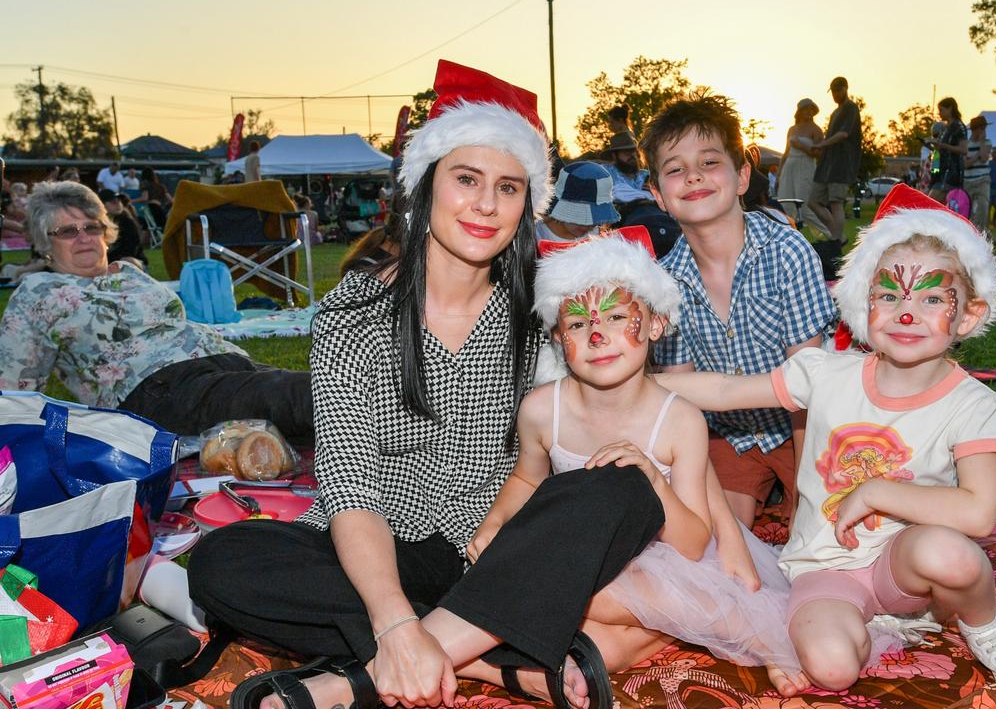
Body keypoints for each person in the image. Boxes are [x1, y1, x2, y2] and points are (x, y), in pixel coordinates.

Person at [188, 60, 666, 709]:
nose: (486, 205)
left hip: (496, 544)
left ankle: (362, 677)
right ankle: (487, 661)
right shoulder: (354, 311)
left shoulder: (543, 309)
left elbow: (584, 424)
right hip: (377, 543)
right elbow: (348, 476)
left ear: (529, 203)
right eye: (466, 179)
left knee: (624, 489)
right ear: (425, 185)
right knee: (223, 563)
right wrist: (391, 620)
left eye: (508, 187)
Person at [658, 184, 996, 688]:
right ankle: (872, 626)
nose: (907, 313)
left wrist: (874, 491)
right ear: (861, 302)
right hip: (824, 566)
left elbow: (980, 512)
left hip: (905, 565)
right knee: (831, 670)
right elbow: (723, 387)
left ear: (969, 314)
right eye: (888, 295)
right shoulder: (825, 373)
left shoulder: (974, 404)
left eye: (933, 297)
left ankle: (986, 627)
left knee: (951, 554)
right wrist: (638, 380)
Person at [478, 230, 811, 697]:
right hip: (582, 553)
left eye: (617, 317)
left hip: (666, 557)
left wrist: (653, 479)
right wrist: (494, 521)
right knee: (599, 633)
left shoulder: (679, 420)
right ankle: (648, 632)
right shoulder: (540, 409)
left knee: (589, 622)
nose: (598, 336)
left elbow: (694, 543)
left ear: (655, 323)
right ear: (557, 336)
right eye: (577, 325)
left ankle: (754, 634)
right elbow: (526, 478)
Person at [641, 91, 836, 528]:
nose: (693, 177)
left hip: (803, 427)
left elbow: (809, 389)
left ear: (742, 176)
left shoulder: (788, 251)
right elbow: (680, 396)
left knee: (827, 530)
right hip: (726, 435)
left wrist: (807, 493)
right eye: (675, 169)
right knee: (716, 544)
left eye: (710, 162)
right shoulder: (664, 283)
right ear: (657, 194)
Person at [0, 181, 312, 439]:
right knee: (305, 396)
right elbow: (14, 390)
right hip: (161, 390)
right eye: (67, 231)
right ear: (44, 244)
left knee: (330, 388)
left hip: (224, 362)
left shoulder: (128, 272)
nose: (83, 237)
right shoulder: (40, 290)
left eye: (91, 227)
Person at [808, 77, 861, 245]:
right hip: (827, 164)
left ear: (846, 88)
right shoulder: (835, 113)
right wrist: (820, 148)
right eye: (833, 91)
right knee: (813, 201)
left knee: (836, 202)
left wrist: (823, 143)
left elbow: (843, 134)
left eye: (838, 90)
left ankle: (836, 241)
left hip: (842, 163)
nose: (836, 94)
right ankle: (838, 236)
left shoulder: (851, 108)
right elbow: (831, 137)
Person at [776, 98, 828, 236]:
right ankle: (790, 234)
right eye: (806, 109)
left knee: (804, 205)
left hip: (805, 166)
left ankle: (830, 235)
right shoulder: (792, 129)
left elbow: (819, 154)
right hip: (789, 166)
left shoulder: (816, 130)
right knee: (785, 203)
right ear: (800, 112)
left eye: (812, 110)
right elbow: (786, 152)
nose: (809, 112)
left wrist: (802, 146)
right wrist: (779, 174)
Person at [535, 161, 619, 242]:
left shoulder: (596, 235)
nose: (587, 226)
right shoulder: (538, 234)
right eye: (580, 217)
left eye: (595, 219)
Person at [926, 97, 968, 204]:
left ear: (950, 109)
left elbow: (963, 149)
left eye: (941, 110)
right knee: (934, 205)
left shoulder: (959, 127)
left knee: (931, 204)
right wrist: (934, 146)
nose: (939, 113)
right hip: (939, 172)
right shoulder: (945, 128)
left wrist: (943, 146)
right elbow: (941, 149)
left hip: (951, 173)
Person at [604, 130, 652, 211]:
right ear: (614, 156)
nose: (632, 156)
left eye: (633, 151)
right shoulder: (606, 173)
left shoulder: (647, 175)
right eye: (626, 153)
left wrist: (657, 191)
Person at [99, 189, 146, 268]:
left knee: (126, 260)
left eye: (119, 201)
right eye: (113, 202)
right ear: (102, 206)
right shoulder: (96, 225)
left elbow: (131, 250)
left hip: (132, 263)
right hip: (106, 265)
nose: (118, 204)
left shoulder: (126, 222)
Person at [964, 116, 992, 232]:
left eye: (984, 128)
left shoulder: (987, 142)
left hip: (983, 180)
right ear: (975, 129)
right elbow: (966, 164)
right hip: (967, 181)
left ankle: (981, 232)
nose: (983, 131)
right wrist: (977, 155)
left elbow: (985, 158)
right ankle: (968, 232)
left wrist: (981, 143)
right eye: (981, 128)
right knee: (967, 208)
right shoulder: (966, 144)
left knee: (983, 207)